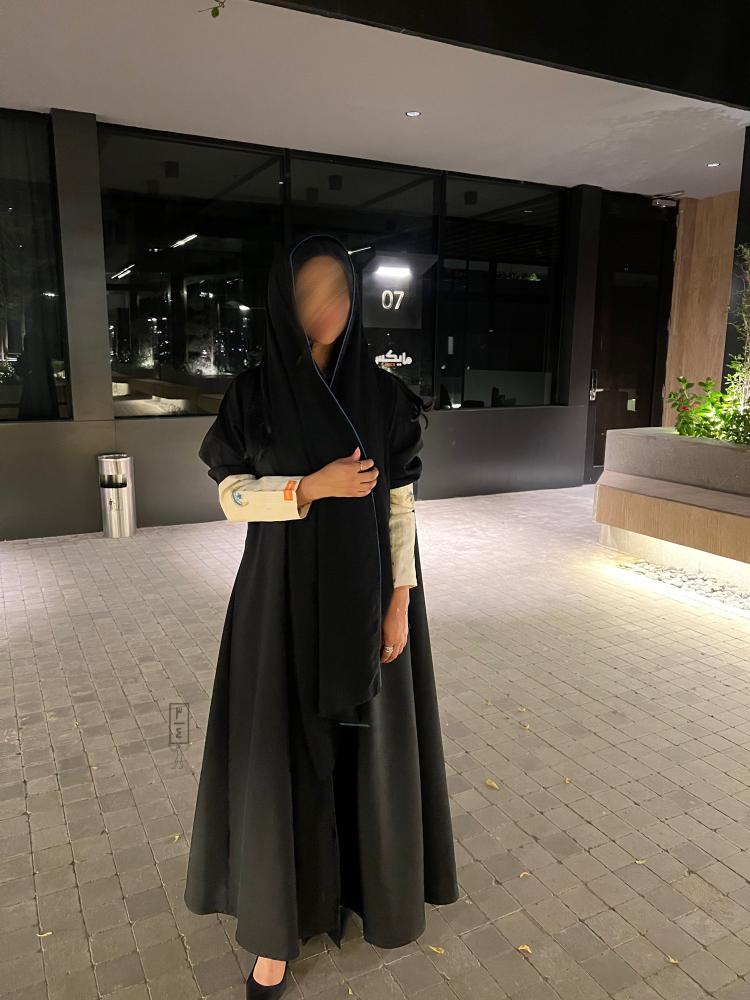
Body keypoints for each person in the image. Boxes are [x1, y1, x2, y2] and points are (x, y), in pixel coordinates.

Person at [183, 233, 458, 999]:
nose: (327, 306)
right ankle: (275, 932)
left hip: (366, 600)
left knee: (363, 751)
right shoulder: (254, 395)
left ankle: (370, 890)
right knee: (282, 751)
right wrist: (310, 487)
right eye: (308, 292)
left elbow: (401, 507)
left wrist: (400, 602)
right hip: (277, 601)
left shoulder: (385, 396)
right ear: (283, 301)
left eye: (338, 289)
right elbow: (230, 496)